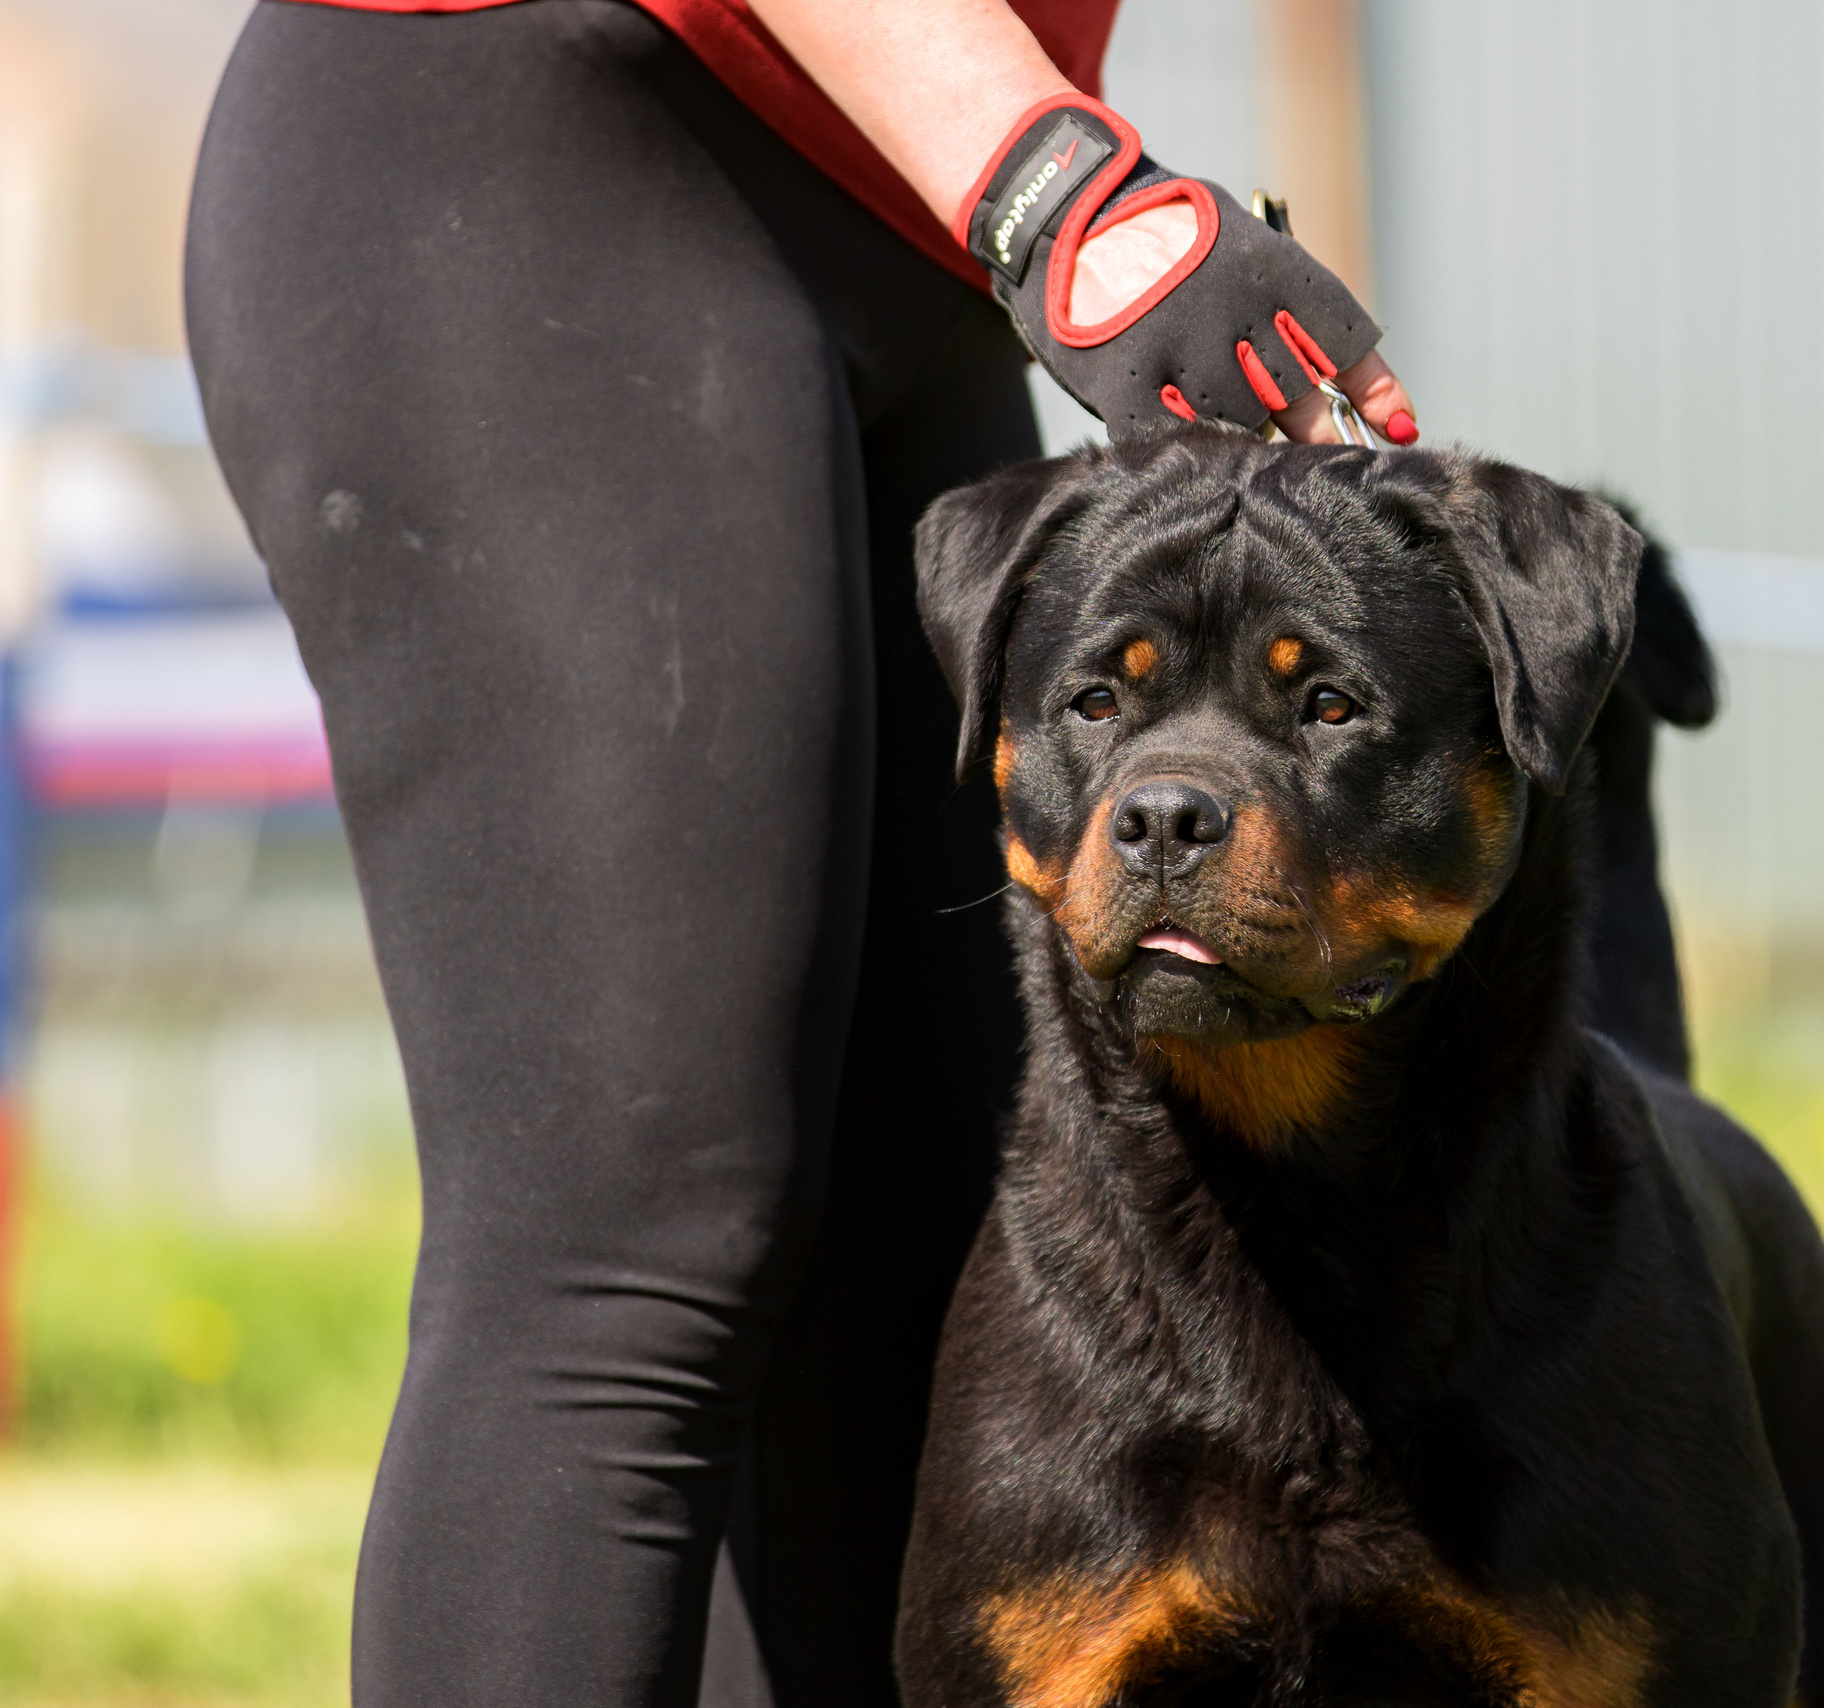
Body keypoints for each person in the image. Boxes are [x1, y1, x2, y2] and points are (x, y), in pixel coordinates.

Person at [182, 2, 1415, 1702]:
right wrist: (1062, 190)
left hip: (907, 199)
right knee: (637, 1249)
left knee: (942, 1252)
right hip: (535, 127)